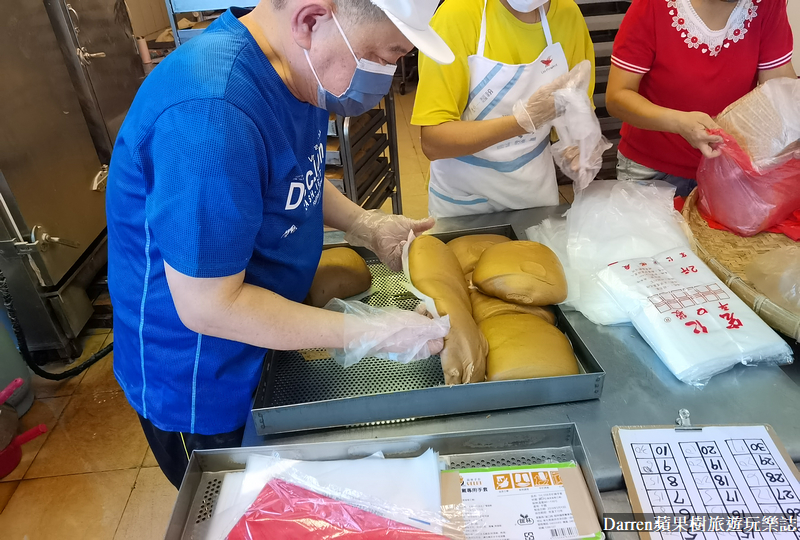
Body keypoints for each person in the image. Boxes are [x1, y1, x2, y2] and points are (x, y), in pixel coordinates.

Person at [106, 0, 454, 489]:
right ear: (311, 20)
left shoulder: (293, 69)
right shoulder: (212, 112)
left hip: (265, 340)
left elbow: (294, 171)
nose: (387, 74)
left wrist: (364, 224)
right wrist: (369, 331)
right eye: (384, 55)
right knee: (245, 509)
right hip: (205, 381)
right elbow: (210, 308)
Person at [410, 0, 599, 217]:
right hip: (464, 200)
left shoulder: (567, 14)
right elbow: (434, 142)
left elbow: (574, 111)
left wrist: (577, 146)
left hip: (534, 194)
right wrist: (520, 122)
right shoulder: (456, 15)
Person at [606, 0, 796, 197]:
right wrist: (680, 123)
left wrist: (794, 131)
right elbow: (617, 97)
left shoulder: (767, 4)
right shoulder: (652, 6)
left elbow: (779, 86)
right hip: (653, 172)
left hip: (729, 170)